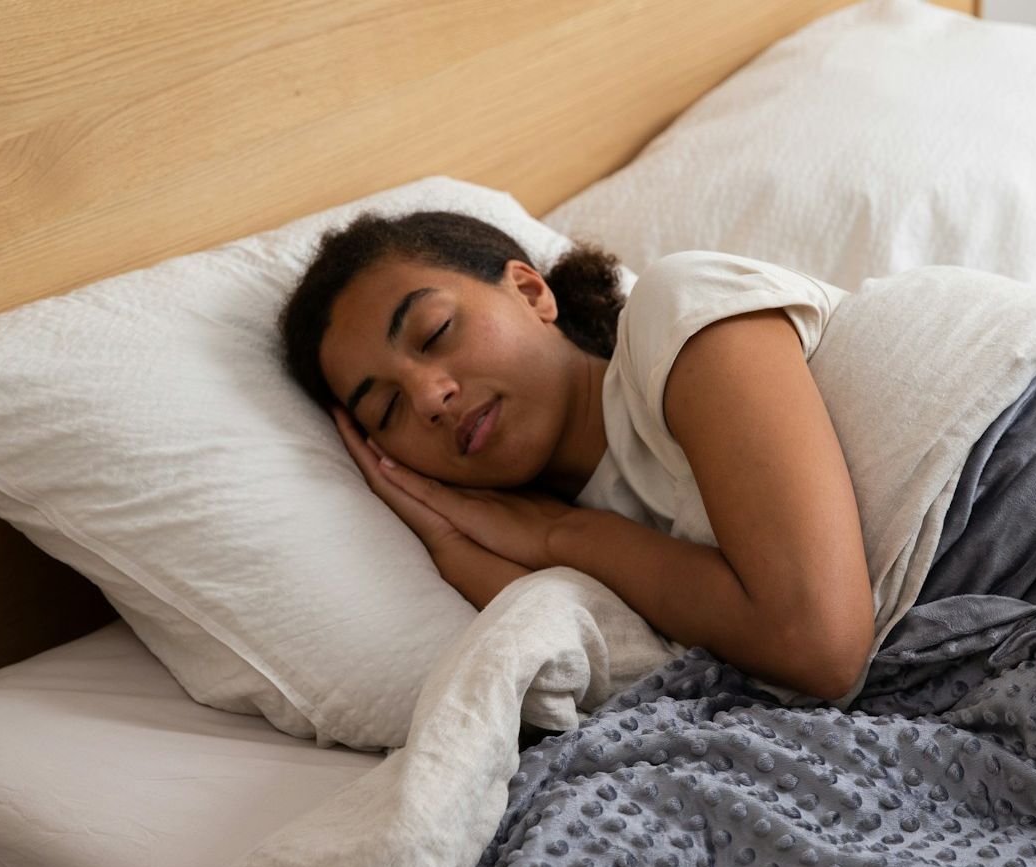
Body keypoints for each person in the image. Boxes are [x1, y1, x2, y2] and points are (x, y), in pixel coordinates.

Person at [278, 210, 875, 702]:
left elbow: (820, 647)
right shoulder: (559, 545)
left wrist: (565, 533)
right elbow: (631, 680)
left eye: (435, 333)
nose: (430, 398)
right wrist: (449, 543)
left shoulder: (676, 313)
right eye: (387, 409)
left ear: (531, 291)